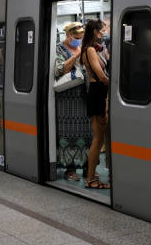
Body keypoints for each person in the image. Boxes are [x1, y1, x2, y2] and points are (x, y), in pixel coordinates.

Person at [54, 22, 88, 182]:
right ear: (68, 35)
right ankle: (70, 169)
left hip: (83, 98)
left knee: (86, 134)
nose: (78, 41)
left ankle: (88, 167)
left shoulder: (84, 47)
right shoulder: (59, 49)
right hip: (66, 100)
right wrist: (75, 56)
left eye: (81, 38)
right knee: (67, 135)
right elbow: (59, 70)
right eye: (76, 38)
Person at [81, 19, 111, 189]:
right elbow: (101, 76)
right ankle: (91, 179)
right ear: (94, 32)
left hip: (100, 92)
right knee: (98, 140)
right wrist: (113, 85)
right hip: (97, 93)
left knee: (100, 139)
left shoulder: (98, 49)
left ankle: (92, 176)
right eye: (102, 31)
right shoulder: (90, 50)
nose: (104, 33)